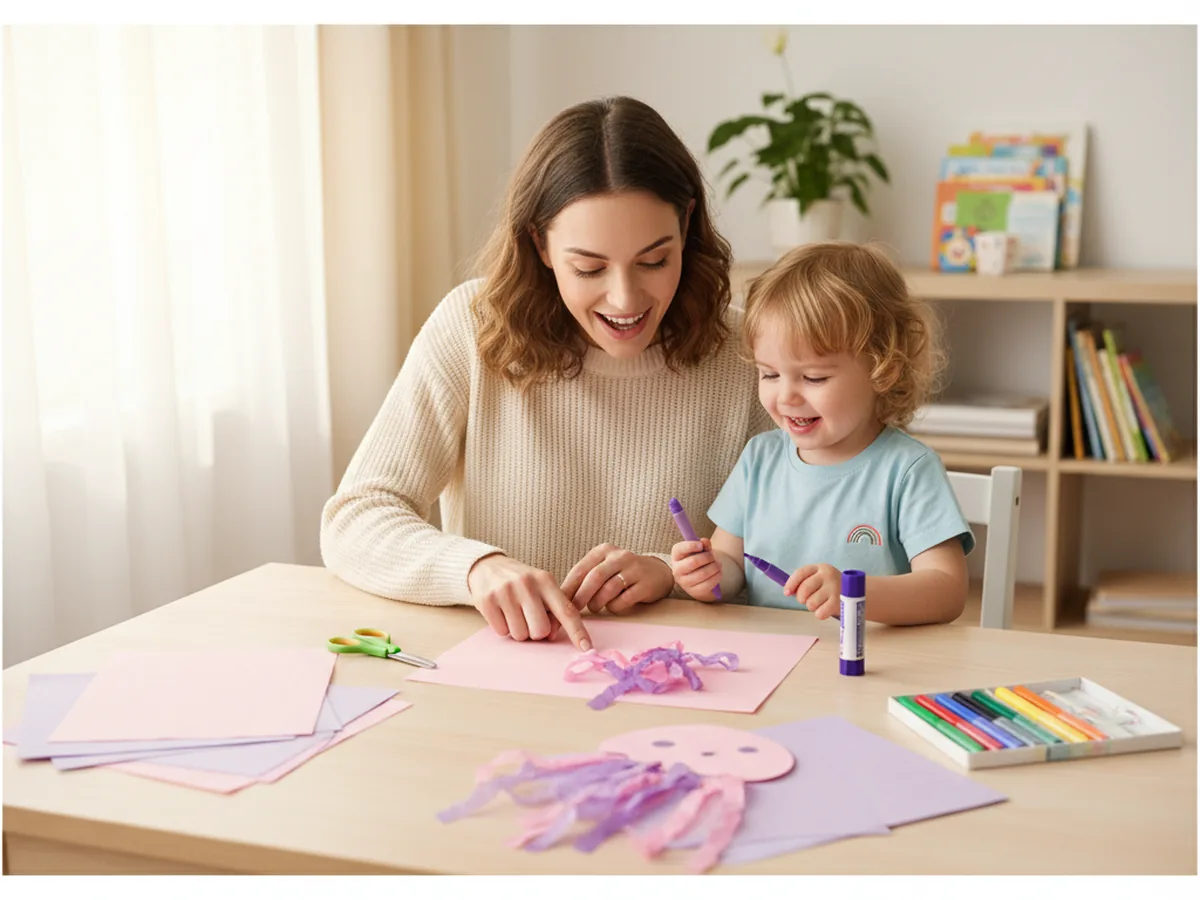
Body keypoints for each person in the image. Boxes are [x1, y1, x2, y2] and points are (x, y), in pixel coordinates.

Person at [320, 96, 772, 651]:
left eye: (654, 261)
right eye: (589, 267)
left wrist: (671, 573)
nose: (625, 298)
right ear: (540, 245)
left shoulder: (749, 353)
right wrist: (477, 568)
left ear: (687, 226)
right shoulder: (472, 329)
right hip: (507, 676)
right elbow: (356, 518)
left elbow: (789, 554)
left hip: (689, 683)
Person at [668, 241, 975, 625]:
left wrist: (856, 593)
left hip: (867, 664)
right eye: (769, 374)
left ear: (885, 368)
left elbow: (946, 590)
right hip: (775, 662)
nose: (786, 396)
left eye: (813, 377)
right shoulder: (759, 459)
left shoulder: (908, 470)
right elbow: (730, 566)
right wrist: (708, 573)